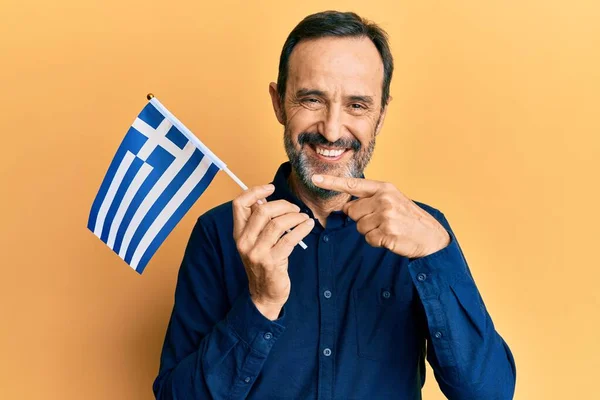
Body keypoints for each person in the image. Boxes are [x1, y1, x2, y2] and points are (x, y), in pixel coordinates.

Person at [153, 10, 516, 400]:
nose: (331, 129)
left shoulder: (423, 234)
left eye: (357, 105)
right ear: (278, 103)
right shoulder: (219, 233)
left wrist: (435, 258)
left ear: (381, 115)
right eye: (312, 100)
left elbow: (489, 393)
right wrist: (260, 303)